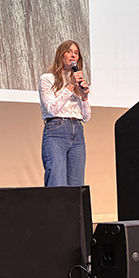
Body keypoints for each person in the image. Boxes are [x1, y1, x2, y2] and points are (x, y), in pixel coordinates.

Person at [39, 40, 91, 187]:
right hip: (56, 131)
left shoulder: (77, 84)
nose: (73, 55)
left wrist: (84, 97)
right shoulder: (47, 79)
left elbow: (86, 117)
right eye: (69, 51)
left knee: (77, 185)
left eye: (76, 53)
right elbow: (51, 109)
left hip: (77, 131)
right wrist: (70, 86)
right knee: (57, 182)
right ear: (61, 55)